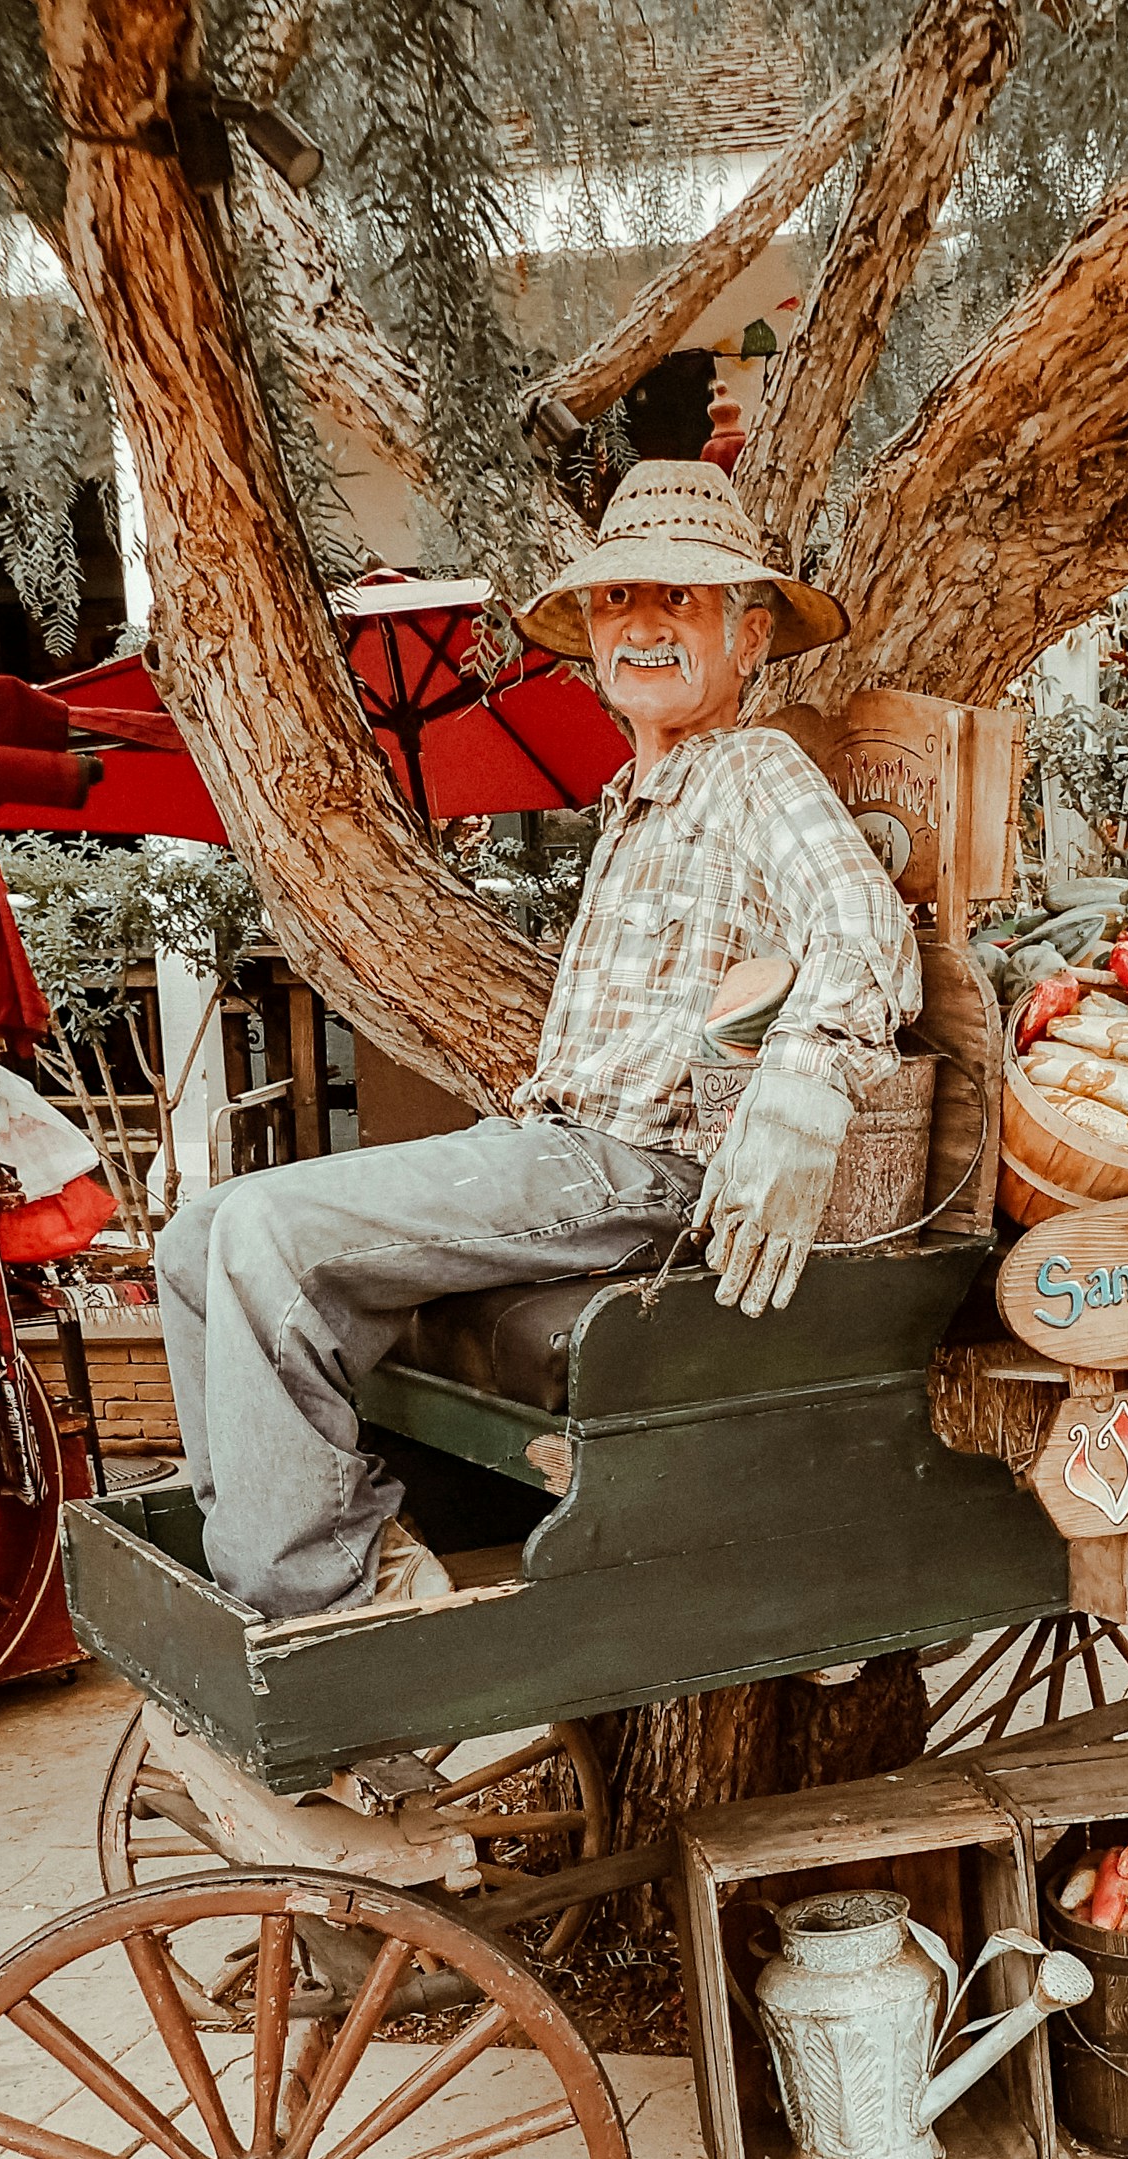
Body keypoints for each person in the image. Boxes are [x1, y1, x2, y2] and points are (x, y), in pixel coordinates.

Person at [156, 461, 918, 1621]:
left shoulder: (754, 770)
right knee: (194, 1235)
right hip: (559, 1148)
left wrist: (806, 1085)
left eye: (681, 600)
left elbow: (865, 932)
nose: (642, 625)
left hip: (645, 1170)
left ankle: (324, 1613)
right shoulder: (628, 804)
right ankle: (278, 1563)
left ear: (749, 638)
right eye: (618, 602)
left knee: (260, 1229)